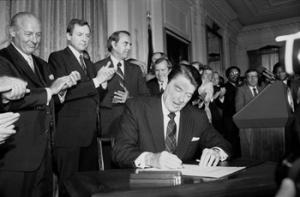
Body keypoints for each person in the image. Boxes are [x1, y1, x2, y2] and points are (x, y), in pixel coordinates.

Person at [0, 12, 75, 197]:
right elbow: (11, 101)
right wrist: (50, 91)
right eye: (28, 34)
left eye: (38, 34)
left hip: (45, 156)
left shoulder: (42, 64)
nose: (34, 40)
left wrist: (63, 89)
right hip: (16, 157)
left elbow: (49, 102)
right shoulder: (2, 60)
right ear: (12, 32)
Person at [112, 64, 232, 169]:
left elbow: (224, 145)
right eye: (178, 89)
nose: (180, 99)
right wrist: (152, 159)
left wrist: (215, 152)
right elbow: (120, 152)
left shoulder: (197, 116)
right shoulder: (137, 108)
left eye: (188, 95)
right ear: (167, 81)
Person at [48, 18, 115, 196]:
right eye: (79, 34)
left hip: (90, 136)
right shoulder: (57, 57)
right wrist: (97, 80)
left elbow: (95, 99)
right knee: (68, 187)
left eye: (87, 35)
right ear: (68, 36)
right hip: (69, 136)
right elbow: (64, 93)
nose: (84, 39)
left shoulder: (89, 63)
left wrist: (103, 85)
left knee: (86, 187)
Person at [94, 30, 149, 138]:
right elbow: (93, 97)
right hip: (108, 125)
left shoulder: (135, 69)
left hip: (132, 124)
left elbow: (146, 96)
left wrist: (130, 98)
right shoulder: (97, 67)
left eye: (130, 44)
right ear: (114, 44)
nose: (129, 48)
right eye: (125, 44)